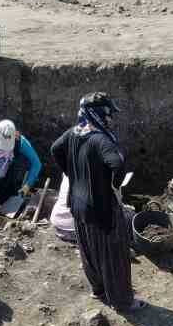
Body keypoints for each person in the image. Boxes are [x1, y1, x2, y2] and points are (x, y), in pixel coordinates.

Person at [51, 92, 142, 313]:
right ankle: (122, 302)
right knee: (114, 255)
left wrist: (73, 174)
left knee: (89, 250)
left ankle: (99, 290)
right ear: (98, 114)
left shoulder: (75, 132)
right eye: (108, 114)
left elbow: (55, 149)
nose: (111, 119)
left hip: (77, 204)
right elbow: (117, 165)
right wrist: (114, 185)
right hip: (101, 208)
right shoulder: (101, 139)